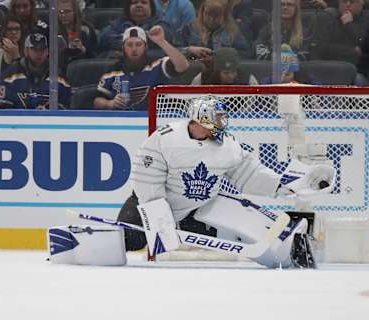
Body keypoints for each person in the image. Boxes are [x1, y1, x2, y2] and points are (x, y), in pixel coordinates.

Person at [117, 96, 336, 268]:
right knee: (129, 241)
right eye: (217, 118)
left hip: (197, 210)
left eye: (222, 117)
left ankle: (287, 251)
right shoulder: (165, 139)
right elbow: (146, 179)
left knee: (244, 232)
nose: (222, 123)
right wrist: (158, 218)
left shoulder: (228, 146)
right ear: (199, 119)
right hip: (150, 205)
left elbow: (249, 174)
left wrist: (285, 185)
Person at [93, 25, 189, 111]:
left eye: (138, 44)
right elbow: (97, 100)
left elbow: (183, 66)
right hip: (121, 122)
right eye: (129, 45)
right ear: (123, 47)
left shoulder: (158, 65)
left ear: (145, 46)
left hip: (154, 120)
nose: (134, 49)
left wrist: (161, 41)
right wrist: (110, 103)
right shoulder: (112, 72)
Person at [309, 0, 369, 85]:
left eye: (352, 2)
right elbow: (321, 48)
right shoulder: (328, 17)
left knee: (359, 81)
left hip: (358, 70)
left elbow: (368, 49)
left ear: (361, 4)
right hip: (329, 68)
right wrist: (352, 51)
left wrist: (349, 25)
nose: (348, 4)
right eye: (344, 1)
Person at [0, 32, 71, 109]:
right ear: (26, 50)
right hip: (17, 120)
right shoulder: (9, 76)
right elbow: (1, 107)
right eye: (34, 49)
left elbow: (67, 107)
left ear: (47, 51)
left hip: (49, 120)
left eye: (42, 49)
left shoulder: (59, 77)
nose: (39, 53)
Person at [174, 0, 251, 59]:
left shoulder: (232, 31)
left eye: (216, 16)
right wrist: (189, 50)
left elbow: (246, 53)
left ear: (224, 16)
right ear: (202, 12)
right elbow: (173, 50)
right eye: (207, 14)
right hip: (195, 66)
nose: (211, 19)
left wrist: (226, 54)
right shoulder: (189, 28)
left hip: (221, 69)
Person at [98, 0, 171, 59]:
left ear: (151, 8)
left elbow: (162, 49)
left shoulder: (160, 24)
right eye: (134, 2)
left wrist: (126, 51)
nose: (139, 5)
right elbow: (105, 38)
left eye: (144, 2)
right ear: (128, 7)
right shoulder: (117, 23)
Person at [57, 0, 98, 65]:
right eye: (60, 12)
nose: (63, 15)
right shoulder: (51, 29)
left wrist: (84, 50)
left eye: (67, 11)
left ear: (75, 12)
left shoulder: (87, 29)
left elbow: (95, 56)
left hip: (81, 66)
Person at [190, 47, 258, 85]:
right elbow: (192, 103)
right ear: (217, 71)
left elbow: (254, 107)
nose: (231, 76)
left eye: (233, 71)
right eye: (226, 73)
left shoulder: (248, 80)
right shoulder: (202, 79)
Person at [0, 15, 24, 85]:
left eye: (17, 29)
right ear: (4, 31)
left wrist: (16, 56)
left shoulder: (29, 49)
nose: (14, 32)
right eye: (9, 29)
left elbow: (27, 79)